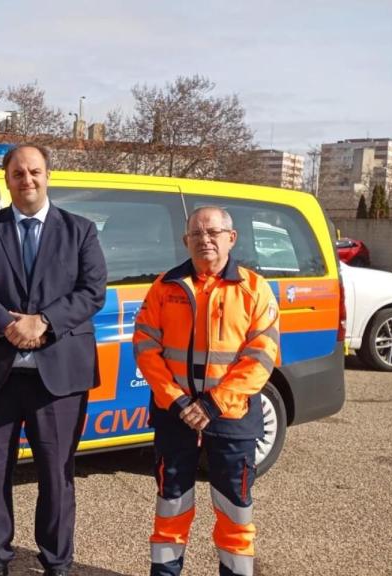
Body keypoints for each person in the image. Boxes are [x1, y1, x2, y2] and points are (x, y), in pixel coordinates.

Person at [0, 144, 107, 576]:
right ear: (7, 179)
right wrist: (7, 325)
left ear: (48, 175)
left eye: (34, 171)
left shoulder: (80, 230)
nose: (27, 180)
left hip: (58, 375)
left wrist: (44, 322)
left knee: (56, 473)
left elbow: (93, 290)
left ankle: (56, 561)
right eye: (18, 173)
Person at [133, 206, 279, 576]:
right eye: (196, 234)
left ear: (232, 238)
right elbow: (145, 348)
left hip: (231, 418)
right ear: (186, 240)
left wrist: (213, 404)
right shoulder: (165, 286)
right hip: (175, 416)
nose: (205, 240)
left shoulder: (254, 289)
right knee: (171, 505)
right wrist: (178, 401)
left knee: (235, 510)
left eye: (213, 232)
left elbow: (261, 357)